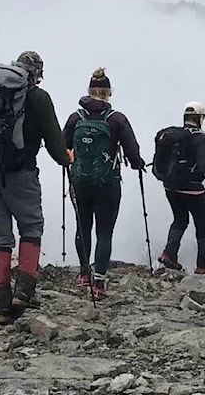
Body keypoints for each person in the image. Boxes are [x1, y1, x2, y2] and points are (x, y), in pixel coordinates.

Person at [0, 50, 70, 324]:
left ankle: (1, 308)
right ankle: (24, 291)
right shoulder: (38, 97)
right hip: (20, 174)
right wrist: (67, 158)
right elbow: (57, 148)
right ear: (38, 75)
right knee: (31, 227)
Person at [62, 67, 145, 299]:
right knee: (104, 232)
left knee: (83, 226)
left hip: (79, 181)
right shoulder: (117, 119)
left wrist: (71, 163)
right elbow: (132, 152)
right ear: (109, 93)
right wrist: (139, 164)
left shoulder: (75, 118)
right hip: (107, 183)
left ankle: (83, 273)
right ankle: (99, 282)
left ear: (89, 91)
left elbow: (62, 147)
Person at [155, 101, 205, 275]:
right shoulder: (200, 138)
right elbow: (203, 167)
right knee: (202, 226)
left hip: (171, 187)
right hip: (193, 189)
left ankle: (169, 254)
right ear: (199, 118)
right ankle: (203, 265)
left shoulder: (174, 135)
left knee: (180, 220)